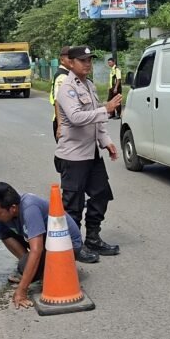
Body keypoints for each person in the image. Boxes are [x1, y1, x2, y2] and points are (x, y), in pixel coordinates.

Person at [0, 182, 97, 309]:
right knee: (3, 233)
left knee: (25, 265)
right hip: (47, 242)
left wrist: (22, 290)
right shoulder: (3, 214)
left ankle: (41, 271)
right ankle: (35, 269)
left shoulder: (29, 208)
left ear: (12, 208)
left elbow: (36, 250)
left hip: (68, 247)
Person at [54, 46, 124, 256]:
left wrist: (106, 141)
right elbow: (76, 118)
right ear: (71, 62)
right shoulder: (66, 88)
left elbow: (96, 122)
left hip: (91, 153)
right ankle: (74, 246)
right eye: (82, 60)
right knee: (73, 205)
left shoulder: (89, 86)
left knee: (101, 194)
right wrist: (106, 109)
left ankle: (93, 238)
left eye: (89, 60)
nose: (87, 64)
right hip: (73, 155)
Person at [50, 47, 73, 142]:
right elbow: (58, 101)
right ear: (62, 60)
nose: (72, 60)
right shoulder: (62, 76)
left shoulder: (68, 74)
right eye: (69, 58)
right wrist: (60, 125)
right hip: (63, 121)